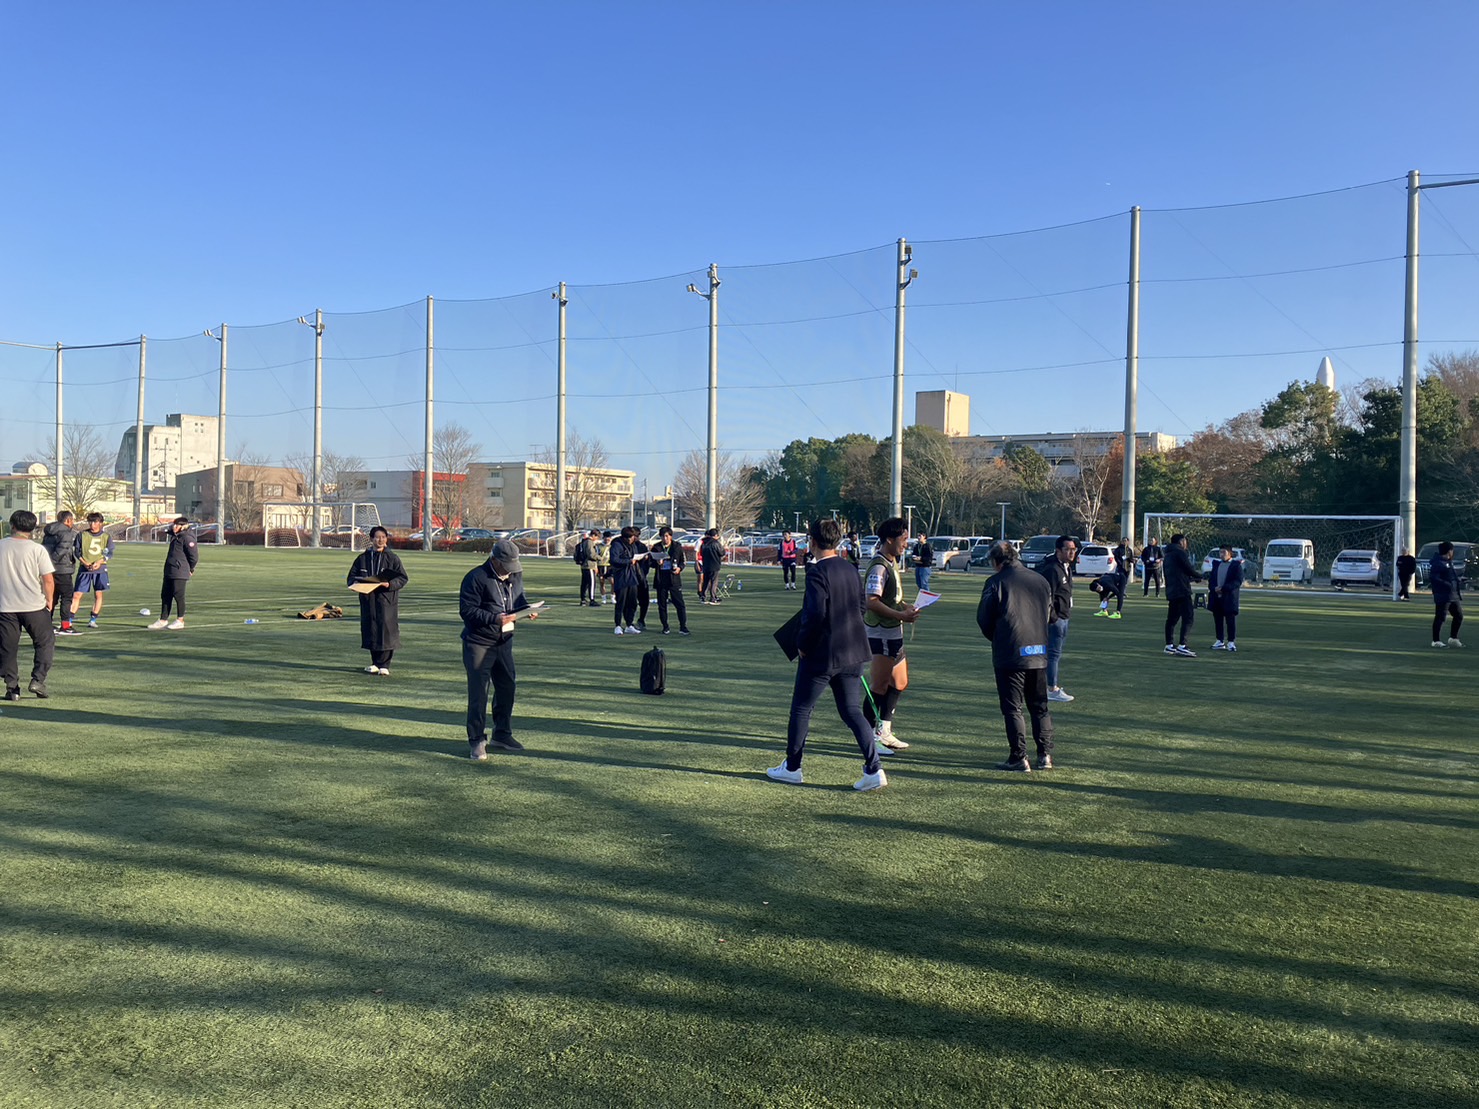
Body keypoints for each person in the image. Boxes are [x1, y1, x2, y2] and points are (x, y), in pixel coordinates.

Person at [766, 518, 886, 792]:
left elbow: (815, 614)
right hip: (854, 650)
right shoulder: (850, 568)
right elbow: (861, 607)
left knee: (802, 708)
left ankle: (793, 767)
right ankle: (874, 767)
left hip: (823, 654)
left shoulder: (817, 572)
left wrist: (802, 643)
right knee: (852, 711)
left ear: (812, 541)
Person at [976, 541, 1055, 772]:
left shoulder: (995, 582)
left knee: (1013, 708)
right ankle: (1045, 755)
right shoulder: (1040, 580)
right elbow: (1051, 615)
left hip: (1010, 652)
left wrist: (998, 638)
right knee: (1040, 706)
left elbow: (984, 619)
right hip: (1038, 651)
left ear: (996, 561)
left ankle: (1019, 756)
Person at [461, 538, 540, 759]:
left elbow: (518, 598)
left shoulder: (515, 575)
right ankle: (477, 740)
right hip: (478, 643)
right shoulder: (475, 577)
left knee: (507, 688)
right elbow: (467, 610)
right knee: (479, 693)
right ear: (494, 560)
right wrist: (494, 618)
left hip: (504, 642)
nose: (510, 571)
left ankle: (502, 734)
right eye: (506, 566)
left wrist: (527, 609)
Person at [862, 516, 919, 752]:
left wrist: (905, 607)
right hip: (881, 634)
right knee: (879, 686)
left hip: (894, 633)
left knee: (900, 682)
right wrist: (900, 615)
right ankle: (868, 738)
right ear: (889, 539)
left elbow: (890, 598)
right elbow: (871, 601)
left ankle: (884, 730)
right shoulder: (878, 566)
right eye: (903, 539)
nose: (906, 544)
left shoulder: (891, 562)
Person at [0, 510, 57, 701]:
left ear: (12, 525)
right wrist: (49, 600)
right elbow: (48, 579)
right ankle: (38, 680)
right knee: (45, 642)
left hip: (5, 606)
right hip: (33, 605)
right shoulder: (36, 549)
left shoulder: (1, 546)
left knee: (7, 648)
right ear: (32, 528)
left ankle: (12, 687)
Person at [346, 526, 407, 674]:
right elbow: (351, 578)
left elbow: (402, 578)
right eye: (377, 537)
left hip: (386, 600)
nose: (380, 540)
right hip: (368, 600)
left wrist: (389, 584)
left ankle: (384, 665)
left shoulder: (392, 558)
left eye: (383, 537)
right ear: (371, 539)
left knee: (386, 630)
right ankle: (375, 663)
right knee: (371, 630)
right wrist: (356, 585)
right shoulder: (362, 558)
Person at [1034, 535, 1077, 703]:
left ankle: (1045, 686)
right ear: (1058, 551)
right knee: (1053, 654)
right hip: (1056, 619)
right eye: (1068, 549)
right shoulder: (1052, 569)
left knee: (1053, 654)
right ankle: (1052, 688)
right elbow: (1046, 595)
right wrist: (1053, 617)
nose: (1072, 552)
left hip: (1064, 616)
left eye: (1073, 549)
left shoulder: (1066, 567)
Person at [145, 517, 198, 631]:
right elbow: (168, 530)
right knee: (166, 595)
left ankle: (180, 620)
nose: (174, 527)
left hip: (180, 571)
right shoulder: (176, 536)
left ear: (183, 526)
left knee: (178, 595)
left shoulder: (187, 538)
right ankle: (163, 619)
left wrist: (191, 569)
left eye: (177, 525)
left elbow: (194, 556)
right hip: (170, 570)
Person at [70, 512, 114, 628]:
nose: (92, 524)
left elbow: (109, 553)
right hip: (85, 569)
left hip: (100, 570)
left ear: (100, 523)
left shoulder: (106, 536)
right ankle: (69, 620)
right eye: (90, 522)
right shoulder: (82, 535)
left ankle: (93, 619)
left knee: (98, 594)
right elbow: (77, 552)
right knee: (77, 594)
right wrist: (85, 563)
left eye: (95, 522)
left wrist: (99, 562)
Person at [1162, 533, 1203, 657]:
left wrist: (1192, 578)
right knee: (1188, 617)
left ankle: (1169, 645)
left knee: (1172, 619)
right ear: (1181, 542)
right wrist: (1199, 576)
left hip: (1172, 590)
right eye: (1185, 541)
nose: (1186, 544)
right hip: (1182, 590)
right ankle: (1182, 646)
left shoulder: (1168, 554)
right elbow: (1188, 568)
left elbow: (1178, 573)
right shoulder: (1180, 552)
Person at [41, 510, 79, 634]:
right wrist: (53, 563)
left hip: (48, 570)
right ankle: (65, 625)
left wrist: (47, 565)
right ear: (68, 520)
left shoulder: (49, 531)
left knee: (51, 597)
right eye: (72, 520)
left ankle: (47, 623)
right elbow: (62, 550)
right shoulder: (66, 533)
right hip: (62, 569)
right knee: (67, 597)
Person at [650, 526, 691, 636]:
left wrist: (679, 568)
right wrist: (656, 563)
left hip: (674, 578)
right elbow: (650, 562)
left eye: (667, 536)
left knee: (679, 604)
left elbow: (683, 561)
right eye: (663, 536)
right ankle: (665, 627)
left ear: (671, 536)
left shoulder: (677, 546)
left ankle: (683, 627)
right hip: (661, 579)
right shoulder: (656, 547)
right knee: (662, 605)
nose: (665, 538)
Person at [609, 526, 645, 636]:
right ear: (626, 537)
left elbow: (635, 556)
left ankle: (629, 624)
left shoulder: (633, 545)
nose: (633, 539)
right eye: (631, 537)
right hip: (621, 577)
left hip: (632, 576)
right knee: (621, 602)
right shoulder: (617, 545)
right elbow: (614, 560)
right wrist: (629, 561)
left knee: (632, 602)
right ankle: (618, 625)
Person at [1428, 541, 1465, 648]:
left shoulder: (1448, 562)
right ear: (1449, 551)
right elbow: (1434, 578)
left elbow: (1449, 576)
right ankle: (1436, 641)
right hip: (1443, 594)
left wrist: (1458, 581)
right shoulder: (1438, 563)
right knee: (1440, 617)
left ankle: (1453, 638)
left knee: (1458, 616)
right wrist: (1448, 584)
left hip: (1453, 595)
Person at [1207, 545, 1244, 652]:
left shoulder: (1235, 565)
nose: (1222, 554)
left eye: (1224, 552)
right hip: (1216, 597)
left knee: (1230, 620)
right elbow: (1211, 580)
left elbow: (1237, 581)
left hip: (1229, 597)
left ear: (1230, 553)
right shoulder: (1216, 564)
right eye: (1220, 552)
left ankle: (1231, 642)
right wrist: (1214, 588)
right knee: (1218, 620)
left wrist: (1224, 588)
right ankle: (1219, 640)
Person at [699, 528, 725, 605]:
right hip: (714, 565)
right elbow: (722, 552)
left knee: (706, 582)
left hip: (706, 565)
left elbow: (701, 553)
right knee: (714, 582)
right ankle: (713, 598)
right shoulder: (716, 543)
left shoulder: (704, 543)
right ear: (715, 535)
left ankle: (703, 597)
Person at [574, 529, 598, 606]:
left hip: (584, 565)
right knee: (592, 583)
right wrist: (600, 558)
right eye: (596, 536)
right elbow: (591, 554)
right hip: (589, 565)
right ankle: (592, 599)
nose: (596, 538)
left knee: (584, 583)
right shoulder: (589, 542)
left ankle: (583, 599)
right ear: (593, 535)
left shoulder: (583, 541)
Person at [595, 531, 613, 604]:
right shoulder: (599, 546)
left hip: (610, 566)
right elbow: (596, 555)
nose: (607, 540)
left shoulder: (613, 546)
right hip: (601, 566)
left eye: (609, 538)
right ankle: (603, 598)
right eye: (606, 538)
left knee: (613, 582)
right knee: (602, 582)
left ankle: (613, 597)